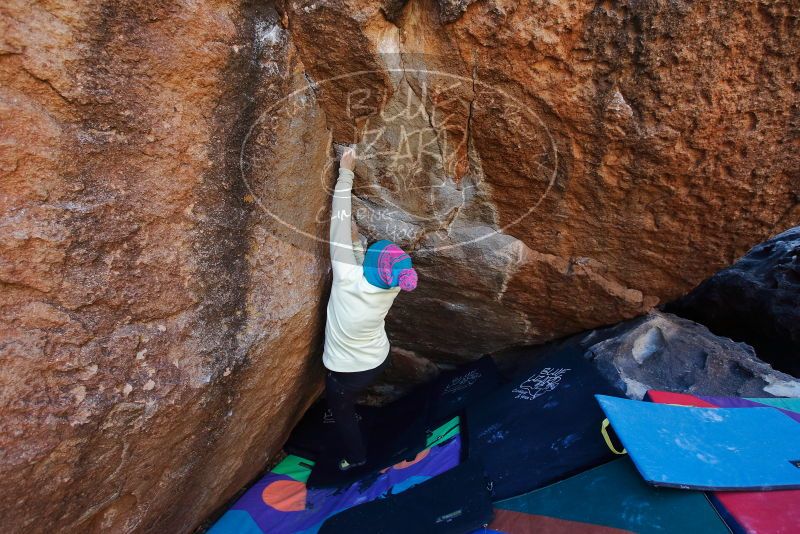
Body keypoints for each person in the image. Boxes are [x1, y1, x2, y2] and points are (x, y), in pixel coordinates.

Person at [322, 147, 418, 471]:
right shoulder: (392, 287)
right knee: (353, 394)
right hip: (377, 359)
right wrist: (361, 252)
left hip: (346, 371)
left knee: (342, 411)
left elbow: (339, 218)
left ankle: (358, 458)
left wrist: (345, 171)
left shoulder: (348, 276)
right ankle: (361, 403)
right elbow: (376, 268)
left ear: (366, 267)